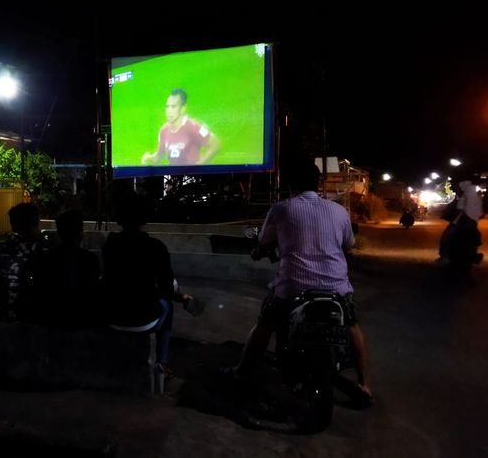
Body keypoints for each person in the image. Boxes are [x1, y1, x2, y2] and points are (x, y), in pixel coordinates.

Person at [234, 160, 374, 405]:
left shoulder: (282, 209)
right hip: (336, 289)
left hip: (293, 288)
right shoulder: (339, 211)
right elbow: (349, 244)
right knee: (352, 326)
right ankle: (365, 384)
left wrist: (259, 250)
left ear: (290, 185)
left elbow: (264, 243)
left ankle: (243, 371)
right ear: (318, 183)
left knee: (265, 324)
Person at [101, 194, 193, 375]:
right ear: (144, 217)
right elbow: (166, 289)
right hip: (143, 319)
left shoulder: (110, 245)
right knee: (168, 308)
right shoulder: (155, 247)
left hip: (111, 317)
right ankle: (162, 362)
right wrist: (179, 297)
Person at [140, 88, 220, 166]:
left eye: (173, 107)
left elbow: (215, 144)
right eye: (167, 106)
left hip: (190, 177)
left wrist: (199, 165)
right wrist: (149, 158)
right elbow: (158, 156)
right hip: (172, 176)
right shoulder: (164, 131)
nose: (169, 111)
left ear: (183, 108)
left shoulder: (193, 126)